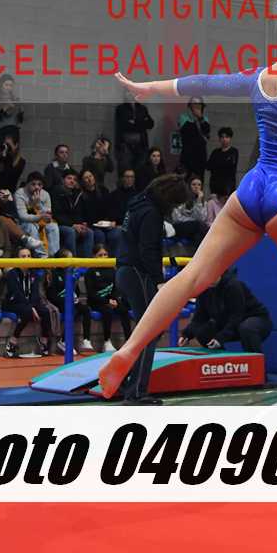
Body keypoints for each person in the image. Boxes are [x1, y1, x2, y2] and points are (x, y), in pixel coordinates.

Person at [99, 0, 277, 406]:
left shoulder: (257, 77)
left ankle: (129, 350)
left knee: (193, 276)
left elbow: (202, 82)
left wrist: (149, 87)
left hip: (251, 191)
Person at [112, 173, 188, 404]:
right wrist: (158, 279)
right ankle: (136, 391)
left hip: (124, 270)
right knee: (149, 332)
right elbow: (148, 250)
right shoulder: (151, 213)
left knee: (142, 332)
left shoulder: (136, 205)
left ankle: (123, 381)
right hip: (138, 273)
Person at [178, 268, 273, 353]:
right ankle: (219, 361)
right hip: (230, 323)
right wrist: (186, 335)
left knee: (247, 328)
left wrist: (220, 338)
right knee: (201, 331)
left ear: (219, 273)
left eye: (211, 276)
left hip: (255, 319)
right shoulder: (204, 290)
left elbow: (236, 316)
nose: (209, 280)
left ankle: (255, 363)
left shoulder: (233, 286)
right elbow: (199, 318)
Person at [3, 247, 53, 358]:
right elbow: (17, 294)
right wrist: (31, 308)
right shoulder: (12, 274)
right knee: (27, 311)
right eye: (23, 256)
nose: (27, 258)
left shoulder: (34, 274)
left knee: (45, 311)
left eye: (29, 256)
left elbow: (35, 294)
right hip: (14, 303)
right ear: (18, 259)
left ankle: (44, 340)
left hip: (30, 304)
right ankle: (13, 340)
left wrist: (32, 306)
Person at [45, 248, 94, 354]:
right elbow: (51, 295)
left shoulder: (71, 272)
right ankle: (63, 340)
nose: (72, 261)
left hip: (71, 302)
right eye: (69, 259)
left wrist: (75, 297)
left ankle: (86, 339)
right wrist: (67, 299)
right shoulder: (53, 273)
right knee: (72, 310)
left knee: (85, 309)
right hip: (59, 302)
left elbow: (77, 291)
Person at [85, 244, 132, 351]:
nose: (103, 257)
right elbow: (91, 293)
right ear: (94, 256)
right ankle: (107, 341)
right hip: (96, 302)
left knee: (124, 310)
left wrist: (114, 299)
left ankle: (129, 340)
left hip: (111, 300)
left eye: (105, 255)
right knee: (107, 311)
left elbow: (116, 288)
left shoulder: (112, 270)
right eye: (100, 255)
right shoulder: (90, 272)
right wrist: (107, 301)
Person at [15, 172, 60, 256]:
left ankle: (54, 256)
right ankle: (42, 256)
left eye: (39, 185)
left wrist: (39, 205)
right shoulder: (20, 193)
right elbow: (22, 216)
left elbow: (48, 216)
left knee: (53, 226)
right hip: (23, 224)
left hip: (40, 221)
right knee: (31, 226)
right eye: (33, 184)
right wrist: (33, 205)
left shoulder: (45, 194)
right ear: (27, 184)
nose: (37, 187)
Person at [51, 169, 94, 257]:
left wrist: (81, 224)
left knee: (89, 232)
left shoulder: (75, 194)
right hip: (58, 224)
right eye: (69, 178)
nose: (72, 181)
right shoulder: (56, 192)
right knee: (70, 232)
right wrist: (73, 225)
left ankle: (87, 263)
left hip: (72, 224)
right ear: (63, 180)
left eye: (74, 179)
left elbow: (78, 213)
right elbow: (57, 214)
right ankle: (72, 262)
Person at [80, 169, 122, 256]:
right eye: (86, 178)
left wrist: (113, 221)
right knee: (99, 235)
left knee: (116, 233)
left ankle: (115, 260)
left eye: (90, 176)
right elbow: (83, 214)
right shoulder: (81, 195)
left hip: (106, 224)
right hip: (92, 225)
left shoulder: (104, 190)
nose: (89, 179)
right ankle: (100, 260)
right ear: (82, 181)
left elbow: (111, 208)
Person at [115, 90, 154, 174]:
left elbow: (151, 124)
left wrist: (134, 122)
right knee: (126, 171)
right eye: (128, 92)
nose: (130, 94)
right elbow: (124, 125)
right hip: (126, 146)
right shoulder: (121, 109)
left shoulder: (142, 108)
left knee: (140, 171)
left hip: (141, 145)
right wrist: (141, 123)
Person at [178, 97, 210, 183]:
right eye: (194, 105)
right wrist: (195, 120)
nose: (197, 107)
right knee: (186, 179)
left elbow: (207, 131)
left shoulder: (204, 119)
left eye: (199, 105)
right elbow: (187, 131)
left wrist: (200, 118)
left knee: (199, 179)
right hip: (187, 154)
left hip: (200, 155)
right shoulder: (183, 117)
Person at [171, 175, 208, 248]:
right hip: (179, 226)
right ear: (189, 186)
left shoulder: (203, 202)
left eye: (199, 185)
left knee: (198, 233)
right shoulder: (181, 198)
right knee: (199, 225)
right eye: (193, 184)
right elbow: (177, 218)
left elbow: (201, 218)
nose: (196, 187)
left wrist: (199, 201)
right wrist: (192, 221)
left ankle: (197, 253)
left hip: (195, 228)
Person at [206, 127, 239, 196]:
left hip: (228, 185)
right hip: (215, 184)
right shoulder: (215, 152)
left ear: (230, 138)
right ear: (219, 139)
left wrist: (218, 164)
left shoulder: (233, 151)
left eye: (227, 137)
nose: (224, 139)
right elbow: (208, 166)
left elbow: (231, 166)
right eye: (222, 137)